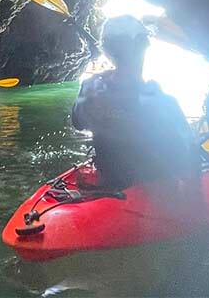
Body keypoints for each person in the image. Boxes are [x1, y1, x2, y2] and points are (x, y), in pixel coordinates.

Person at [71, 16, 201, 190]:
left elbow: (78, 122)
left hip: (110, 181)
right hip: (154, 191)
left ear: (106, 50)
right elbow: (188, 158)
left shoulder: (89, 88)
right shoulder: (159, 100)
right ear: (143, 45)